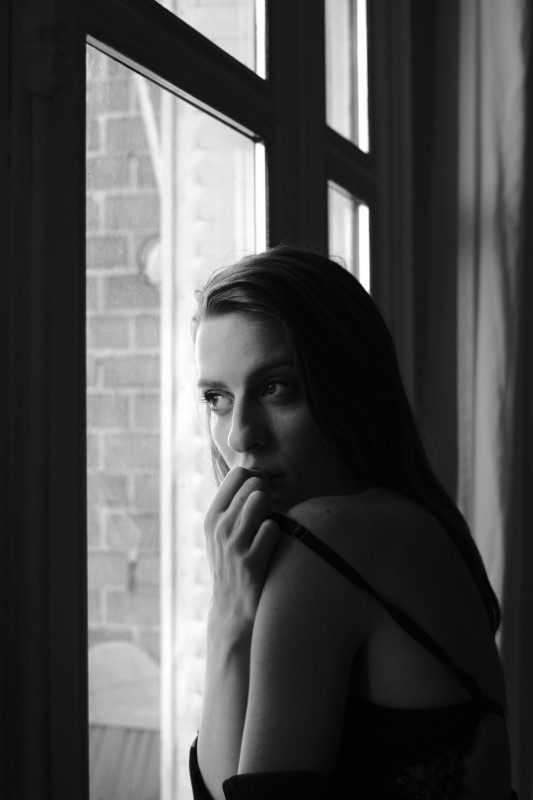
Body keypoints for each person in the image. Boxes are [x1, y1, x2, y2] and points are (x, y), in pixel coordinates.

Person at [188, 246, 515, 799]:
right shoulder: (423, 528)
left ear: (351, 388)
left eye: (275, 387)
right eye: (218, 398)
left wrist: (228, 614)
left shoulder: (326, 541)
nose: (241, 434)